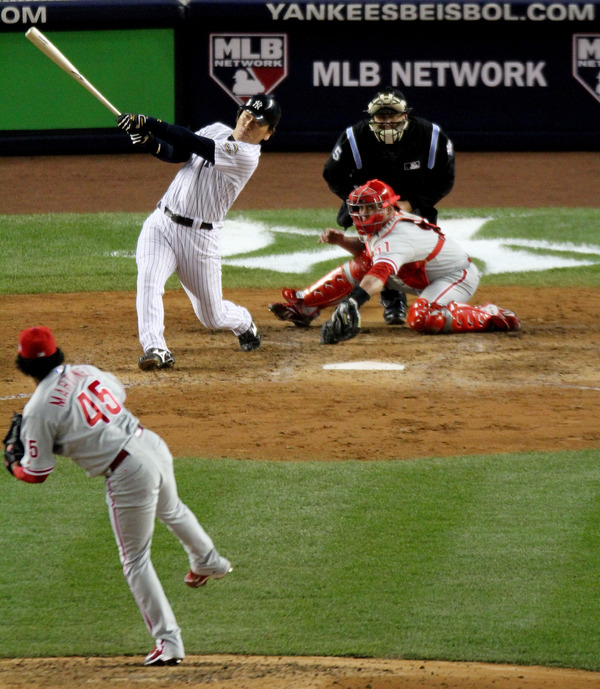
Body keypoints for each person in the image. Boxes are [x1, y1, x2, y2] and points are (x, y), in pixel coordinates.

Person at [3, 326, 232, 667]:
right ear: (56, 353)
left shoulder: (38, 410)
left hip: (127, 472)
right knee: (173, 509)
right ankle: (209, 561)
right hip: (150, 443)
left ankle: (168, 643)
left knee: (135, 561)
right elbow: (116, 397)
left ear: (23, 364)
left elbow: (36, 473)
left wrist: (11, 461)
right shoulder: (84, 371)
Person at [116, 93, 282, 371]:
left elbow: (196, 143)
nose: (248, 123)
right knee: (149, 282)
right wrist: (149, 141)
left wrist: (150, 123)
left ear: (268, 134)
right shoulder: (217, 130)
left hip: (200, 239)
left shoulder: (247, 156)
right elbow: (178, 152)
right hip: (161, 223)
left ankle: (243, 321)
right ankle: (155, 347)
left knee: (212, 316)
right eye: (246, 115)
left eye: (257, 123)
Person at [269, 87, 455, 327]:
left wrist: (413, 203)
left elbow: (445, 178)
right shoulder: (355, 137)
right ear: (372, 117)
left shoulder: (431, 135)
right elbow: (332, 174)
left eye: (393, 116)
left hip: (414, 209)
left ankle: (427, 299)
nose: (387, 122)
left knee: (402, 261)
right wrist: (362, 204)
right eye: (381, 117)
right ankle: (389, 298)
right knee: (374, 258)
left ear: (405, 115)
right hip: (370, 213)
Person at [313, 180, 520, 342]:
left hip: (455, 277)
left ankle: (489, 315)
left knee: (422, 317)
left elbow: (379, 275)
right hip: (423, 277)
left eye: (371, 208)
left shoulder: (398, 235)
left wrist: (353, 301)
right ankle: (307, 304)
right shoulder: (381, 223)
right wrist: (342, 241)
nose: (364, 215)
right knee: (365, 261)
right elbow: (369, 250)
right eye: (361, 209)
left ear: (388, 208)